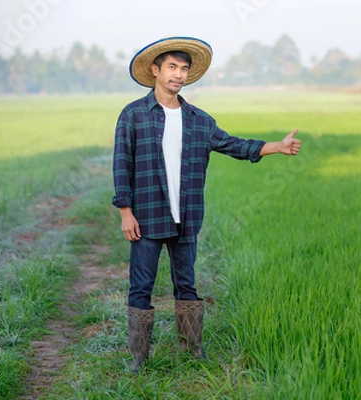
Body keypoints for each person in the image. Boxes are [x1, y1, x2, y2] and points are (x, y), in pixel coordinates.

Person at [112, 36, 301, 373]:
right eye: (172, 67)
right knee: (141, 286)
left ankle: (192, 348)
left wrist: (276, 146)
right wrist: (125, 211)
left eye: (184, 69)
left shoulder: (199, 120)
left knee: (187, 284)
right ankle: (139, 357)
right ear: (155, 70)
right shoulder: (134, 115)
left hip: (186, 218)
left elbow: (233, 145)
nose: (178, 74)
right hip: (146, 218)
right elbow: (121, 163)